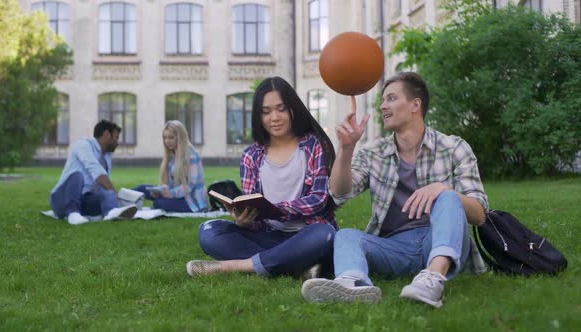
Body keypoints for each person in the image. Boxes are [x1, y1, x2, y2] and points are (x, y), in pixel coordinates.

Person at [301, 72, 489, 308]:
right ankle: (352, 283)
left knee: (449, 196)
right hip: (395, 249)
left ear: (415, 105)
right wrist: (346, 149)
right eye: (383, 101)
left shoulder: (454, 147)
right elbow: (340, 193)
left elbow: (480, 214)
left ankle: (433, 278)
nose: (383, 106)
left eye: (391, 98)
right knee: (347, 235)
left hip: (440, 240)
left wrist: (442, 190)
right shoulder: (374, 153)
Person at [186, 76, 338, 278]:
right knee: (209, 231)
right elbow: (256, 215)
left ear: (293, 109)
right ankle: (296, 267)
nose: (274, 117)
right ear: (258, 116)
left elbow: (319, 198)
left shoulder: (314, 145)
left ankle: (234, 266)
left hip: (307, 234)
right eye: (266, 112)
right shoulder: (252, 155)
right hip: (268, 236)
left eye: (281, 109)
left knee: (324, 234)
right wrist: (245, 220)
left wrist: (279, 209)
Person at [50, 120, 137, 225]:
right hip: (62, 200)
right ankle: (73, 213)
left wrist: (115, 199)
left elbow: (103, 185)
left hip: (84, 200)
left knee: (104, 190)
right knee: (78, 176)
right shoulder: (82, 145)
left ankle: (111, 211)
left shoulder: (107, 156)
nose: (117, 142)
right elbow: (97, 171)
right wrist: (115, 195)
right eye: (116, 137)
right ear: (106, 134)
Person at [134, 120, 208, 212]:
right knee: (141, 189)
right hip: (176, 196)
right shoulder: (172, 155)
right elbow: (170, 185)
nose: (167, 141)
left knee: (159, 203)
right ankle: (120, 207)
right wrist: (160, 190)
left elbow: (189, 185)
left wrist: (171, 194)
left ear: (180, 137)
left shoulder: (191, 156)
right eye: (165, 138)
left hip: (191, 202)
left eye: (171, 138)